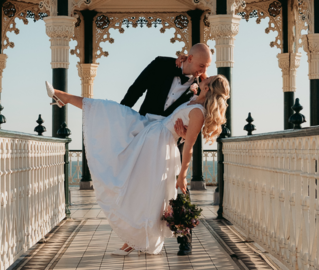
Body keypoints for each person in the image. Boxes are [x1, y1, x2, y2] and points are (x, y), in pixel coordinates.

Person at [45, 73, 230, 256]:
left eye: (207, 78)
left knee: (145, 192)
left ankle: (136, 239)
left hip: (158, 145)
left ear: (207, 88)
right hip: (153, 134)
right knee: (112, 112)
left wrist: (182, 175)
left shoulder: (198, 111)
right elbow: (185, 128)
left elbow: (189, 146)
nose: (203, 76)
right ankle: (63, 97)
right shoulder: (196, 100)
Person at [120, 43, 212, 255]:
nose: (202, 70)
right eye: (200, 65)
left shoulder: (201, 86)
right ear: (187, 58)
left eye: (206, 66)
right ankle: (138, 233)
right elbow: (135, 90)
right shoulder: (162, 64)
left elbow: (200, 116)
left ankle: (185, 238)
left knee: (179, 186)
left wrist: (184, 133)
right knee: (139, 183)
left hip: (173, 138)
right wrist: (122, 119)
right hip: (145, 132)